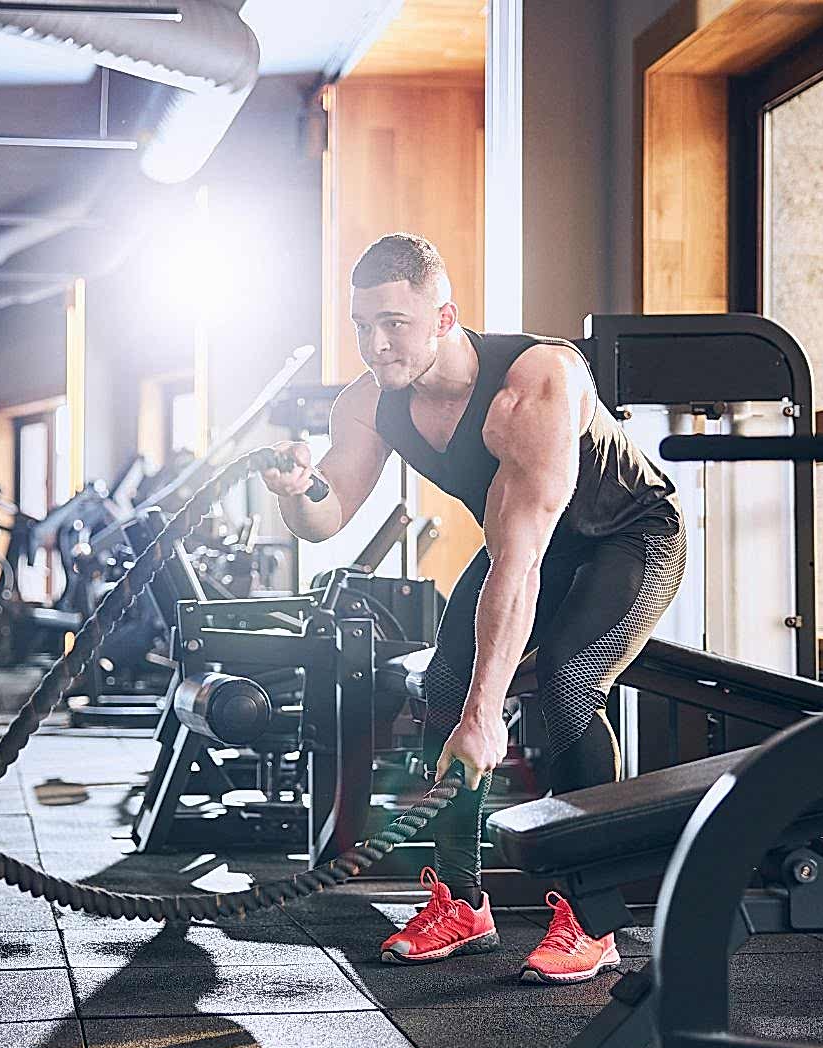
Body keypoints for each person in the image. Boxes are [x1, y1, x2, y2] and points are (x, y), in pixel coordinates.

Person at [262, 233, 685, 983]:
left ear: (444, 316)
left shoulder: (536, 381)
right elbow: (326, 521)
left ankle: (594, 919)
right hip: (529, 546)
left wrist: (489, 711)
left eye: (394, 322)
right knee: (442, 687)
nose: (375, 342)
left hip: (627, 538)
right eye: (362, 324)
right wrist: (299, 492)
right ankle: (460, 903)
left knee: (566, 682)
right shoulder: (369, 401)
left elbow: (518, 569)